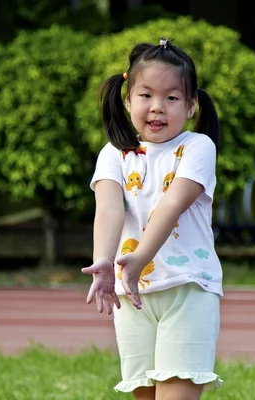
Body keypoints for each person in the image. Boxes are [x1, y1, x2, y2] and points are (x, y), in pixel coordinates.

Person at [82, 37, 223, 400]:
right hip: (133, 295)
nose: (157, 108)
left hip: (187, 289)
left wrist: (139, 258)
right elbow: (109, 208)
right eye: (146, 95)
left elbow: (172, 204)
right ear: (128, 100)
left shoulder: (197, 148)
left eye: (172, 98)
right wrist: (104, 261)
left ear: (192, 105)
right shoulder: (114, 154)